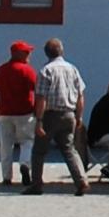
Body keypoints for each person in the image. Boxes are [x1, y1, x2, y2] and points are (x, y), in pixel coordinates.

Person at [34, 38, 92, 195]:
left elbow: (41, 97)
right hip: (69, 114)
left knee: (39, 151)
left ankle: (36, 184)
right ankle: (81, 180)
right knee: (69, 149)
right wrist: (79, 116)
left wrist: (39, 120)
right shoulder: (72, 69)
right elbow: (80, 95)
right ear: (62, 51)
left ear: (46, 53)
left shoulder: (45, 71)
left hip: (50, 115)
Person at [0, 39, 41, 190]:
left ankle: (6, 177)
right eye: (26, 52)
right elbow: (38, 92)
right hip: (25, 112)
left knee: (6, 145)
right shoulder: (28, 70)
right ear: (18, 54)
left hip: (5, 113)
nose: (29, 54)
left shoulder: (2, 70)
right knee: (27, 141)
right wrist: (39, 112)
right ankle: (25, 164)